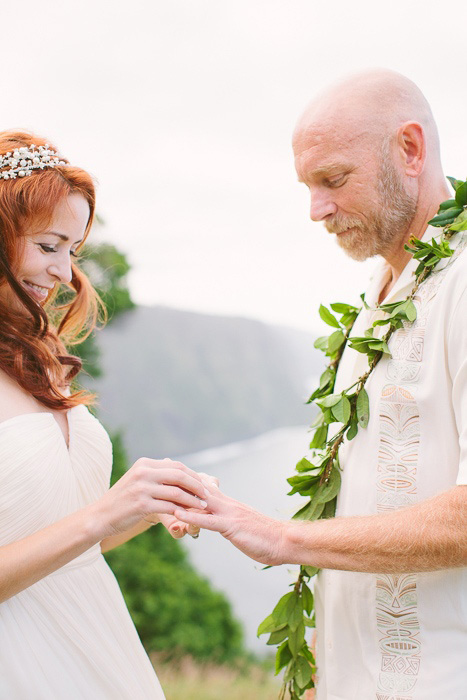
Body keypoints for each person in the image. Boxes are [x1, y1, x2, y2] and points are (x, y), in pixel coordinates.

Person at [176, 70, 467, 699]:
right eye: (307, 187)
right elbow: (369, 495)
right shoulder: (375, 298)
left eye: (333, 180)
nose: (317, 210)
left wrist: (282, 537)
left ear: (410, 150)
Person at [0, 130, 210, 699]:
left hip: (98, 649)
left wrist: (141, 507)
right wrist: (104, 513)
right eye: (48, 247)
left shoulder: (38, 363)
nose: (66, 274)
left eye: (73, 251)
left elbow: (57, 544)